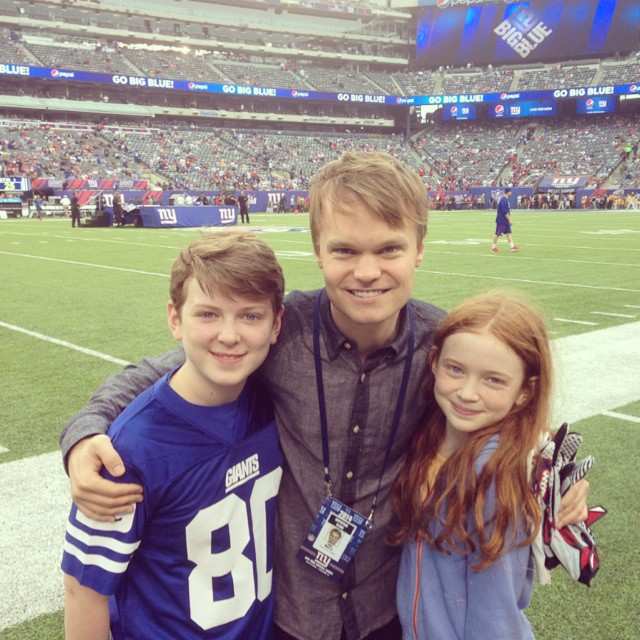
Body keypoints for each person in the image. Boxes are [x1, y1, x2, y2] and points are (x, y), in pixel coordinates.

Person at [60, 152, 588, 640]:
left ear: (419, 250)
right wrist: (86, 432)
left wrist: (557, 478)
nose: (365, 271)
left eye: (388, 249)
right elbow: (159, 371)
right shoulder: (281, 331)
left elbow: (502, 399)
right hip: (294, 612)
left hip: (388, 609)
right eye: (344, 250)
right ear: (318, 252)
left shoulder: (440, 345)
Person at [61, 232, 285, 640]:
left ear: (276, 325)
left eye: (250, 316)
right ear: (175, 319)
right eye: (208, 314)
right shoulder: (129, 449)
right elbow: (83, 590)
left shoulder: (272, 400)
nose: (230, 335)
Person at [394, 291, 552, 639]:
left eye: (493, 379)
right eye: (456, 369)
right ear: (434, 362)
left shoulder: (495, 472)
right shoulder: (428, 438)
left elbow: (494, 614)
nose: (467, 392)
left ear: (525, 391)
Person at [491, 188, 518, 253]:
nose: (511, 193)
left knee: (508, 233)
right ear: (507, 192)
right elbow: (504, 212)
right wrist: (509, 220)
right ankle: (493, 247)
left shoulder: (505, 199)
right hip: (502, 220)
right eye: (510, 192)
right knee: (497, 233)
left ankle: (512, 247)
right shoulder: (503, 200)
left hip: (505, 220)